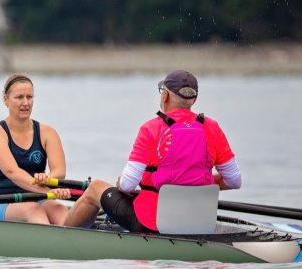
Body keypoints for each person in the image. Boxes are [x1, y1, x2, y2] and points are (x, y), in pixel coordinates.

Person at [65, 69, 242, 232]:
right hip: (198, 220)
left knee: (95, 187)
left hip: (152, 223)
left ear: (165, 96)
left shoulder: (151, 129)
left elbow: (127, 185)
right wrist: (196, 183)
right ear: (194, 100)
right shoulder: (212, 128)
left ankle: (62, 237)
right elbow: (234, 181)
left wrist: (122, 183)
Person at [0, 73, 72, 224]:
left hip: (37, 197)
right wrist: (48, 192)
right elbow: (13, 172)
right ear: (6, 100)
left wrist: (49, 177)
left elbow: (60, 171)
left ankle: (70, 245)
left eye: (29, 97)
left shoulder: (47, 133)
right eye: (19, 97)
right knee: (33, 210)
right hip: (1, 201)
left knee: (60, 210)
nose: (26, 103)